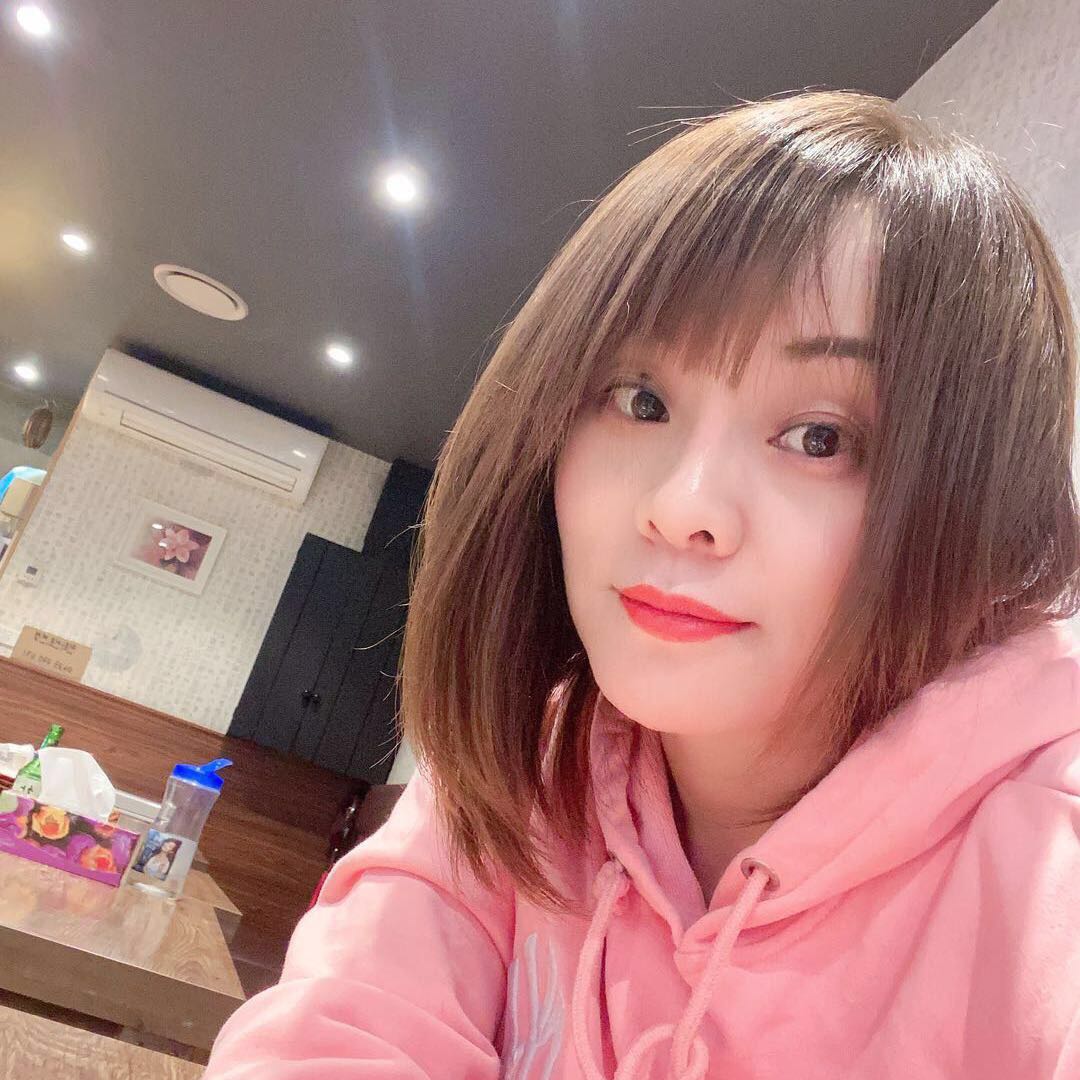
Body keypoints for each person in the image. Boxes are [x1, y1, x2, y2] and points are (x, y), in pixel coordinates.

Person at [201, 90, 1080, 1079]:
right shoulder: (532, 761)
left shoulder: (1048, 852)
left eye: (820, 438)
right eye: (641, 400)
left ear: (976, 505)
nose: (681, 506)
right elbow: (338, 1033)